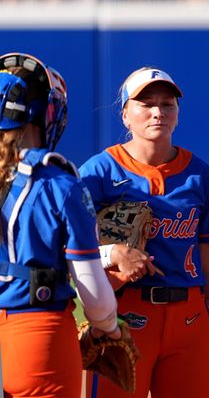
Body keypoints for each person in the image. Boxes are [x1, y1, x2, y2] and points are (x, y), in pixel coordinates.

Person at [79, 67, 209, 398]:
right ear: (125, 115)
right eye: (145, 103)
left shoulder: (200, 175)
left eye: (167, 103)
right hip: (125, 315)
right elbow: (72, 250)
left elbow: (207, 264)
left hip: (190, 321)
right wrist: (113, 253)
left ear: (177, 113)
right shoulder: (98, 173)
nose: (158, 112)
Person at [0, 52, 122, 397]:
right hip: (38, 338)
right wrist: (108, 327)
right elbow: (94, 294)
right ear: (46, 114)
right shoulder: (59, 182)